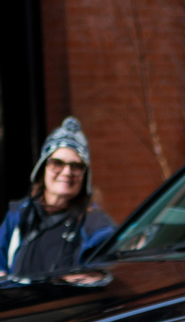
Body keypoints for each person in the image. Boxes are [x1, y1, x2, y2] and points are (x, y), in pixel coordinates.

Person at [0, 116, 116, 279]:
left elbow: (105, 274)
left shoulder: (96, 225)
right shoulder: (19, 215)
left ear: (85, 176)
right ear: (43, 168)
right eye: (57, 163)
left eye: (76, 166)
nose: (66, 172)